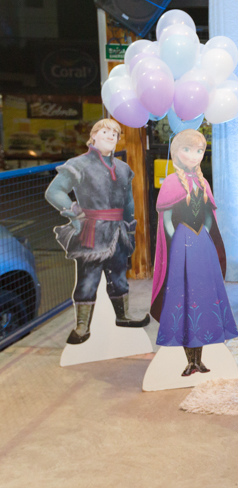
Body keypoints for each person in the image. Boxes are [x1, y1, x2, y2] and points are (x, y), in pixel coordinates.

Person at [45, 118, 150, 345]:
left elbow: (128, 201)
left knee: (119, 277)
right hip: (91, 231)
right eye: (105, 132)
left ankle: (123, 316)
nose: (111, 136)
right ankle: (82, 327)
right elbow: (54, 192)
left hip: (118, 231)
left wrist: (130, 228)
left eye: (115, 133)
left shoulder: (123, 168)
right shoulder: (78, 164)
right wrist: (74, 212)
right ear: (93, 136)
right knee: (87, 280)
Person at [150, 129, 238, 377]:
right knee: (184, 296)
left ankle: (199, 360)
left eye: (199, 151)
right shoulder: (171, 182)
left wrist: (205, 236)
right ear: (176, 152)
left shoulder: (203, 182)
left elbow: (209, 215)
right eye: (187, 150)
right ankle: (189, 360)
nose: (193, 155)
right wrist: (177, 242)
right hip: (181, 245)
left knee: (202, 296)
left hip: (203, 245)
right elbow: (167, 218)